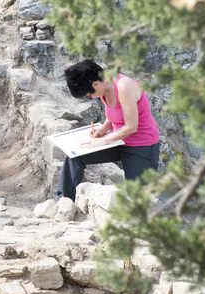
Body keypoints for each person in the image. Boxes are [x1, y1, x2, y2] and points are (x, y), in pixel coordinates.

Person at [58, 59, 160, 201]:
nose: (91, 98)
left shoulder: (124, 86)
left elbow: (131, 127)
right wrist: (103, 130)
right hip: (117, 141)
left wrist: (102, 141)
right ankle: (64, 201)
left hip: (141, 145)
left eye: (89, 95)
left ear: (95, 84)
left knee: (138, 196)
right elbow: (113, 114)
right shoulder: (103, 89)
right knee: (74, 157)